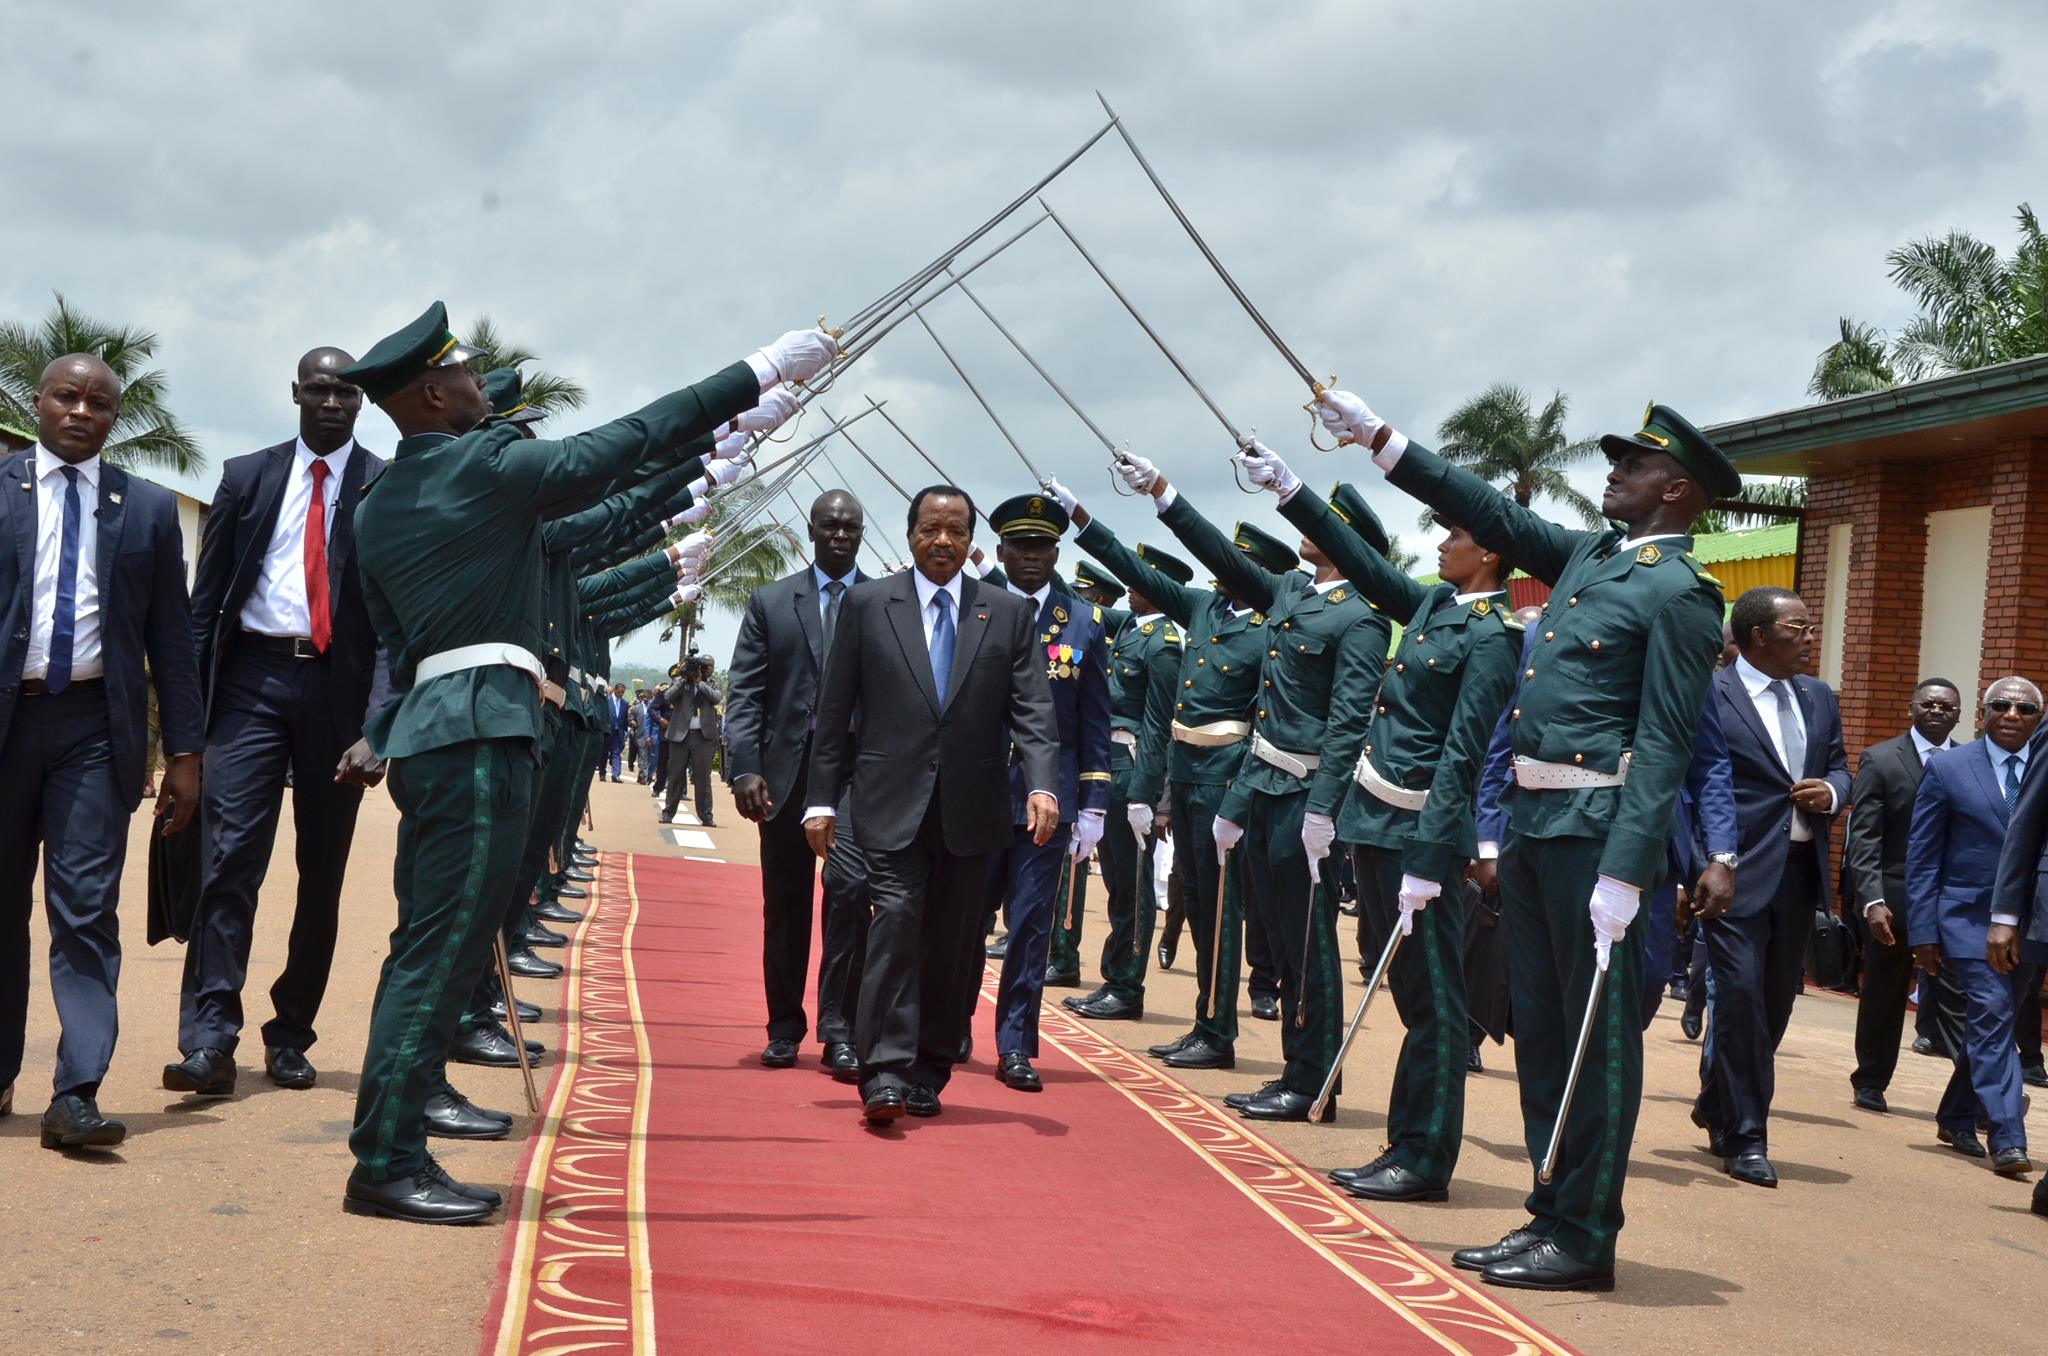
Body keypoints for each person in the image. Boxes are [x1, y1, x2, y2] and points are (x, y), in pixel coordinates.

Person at [337, 300, 834, 1223]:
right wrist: (755, 372)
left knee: (429, 948)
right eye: (468, 374)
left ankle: (393, 1141)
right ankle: (386, 1159)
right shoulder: (482, 469)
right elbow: (627, 441)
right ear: (435, 394)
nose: (482, 384)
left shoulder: (378, 506)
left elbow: (398, 645)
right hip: (482, 736)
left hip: (438, 731)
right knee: (439, 951)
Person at [1320, 391, 1730, 1291]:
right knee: (1543, 1030)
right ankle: (1548, 1207)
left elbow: (1664, 740)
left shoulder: (1680, 592)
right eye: (1618, 458)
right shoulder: (1592, 556)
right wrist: (1383, 440)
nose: (1614, 471)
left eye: (1636, 463)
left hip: (1598, 838)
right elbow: (1495, 514)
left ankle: (1585, 1233)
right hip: (1541, 827)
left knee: (1598, 1038)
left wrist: (1629, 871)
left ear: (1678, 490)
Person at [1238, 440, 1520, 1202]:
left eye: (1453, 536)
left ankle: (1424, 1158)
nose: (1439, 543)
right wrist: (1292, 491)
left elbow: (1464, 754)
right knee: (1409, 994)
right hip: (1379, 827)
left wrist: (1435, 856)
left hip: (1419, 836)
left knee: (1434, 1003)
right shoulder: (1437, 603)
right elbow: (1368, 571)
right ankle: (1404, 1143)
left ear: (1487, 553)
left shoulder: (1494, 633)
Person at [1115, 454, 1389, 1123]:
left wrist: (1324, 810)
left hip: (1303, 796)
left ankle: (1313, 1075)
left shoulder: (1361, 616)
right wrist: (1162, 491)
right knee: (1279, 937)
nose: (1307, 526)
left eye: (1326, 522)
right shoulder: (1293, 593)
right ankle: (1297, 1072)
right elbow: (1220, 557)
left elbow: (1349, 722)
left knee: (1307, 946)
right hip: (1261, 787)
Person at [165, 347, 386, 1100]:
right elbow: (204, 608)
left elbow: (394, 623)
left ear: (361, 401)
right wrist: (186, 732)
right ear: (296, 392)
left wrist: (379, 724)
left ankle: (291, 1032)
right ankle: (208, 1040)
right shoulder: (245, 476)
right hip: (252, 685)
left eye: (346, 391)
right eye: (320, 388)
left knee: (320, 875)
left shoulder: (385, 486)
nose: (332, 401)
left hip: (338, 693)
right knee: (229, 862)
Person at [803, 485, 1058, 1126]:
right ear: (911, 533)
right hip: (889, 803)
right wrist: (820, 801)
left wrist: (1042, 784)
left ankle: (929, 1066)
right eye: (930, 529)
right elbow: (834, 714)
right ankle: (883, 1071)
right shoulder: (867, 604)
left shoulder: (1004, 614)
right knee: (893, 925)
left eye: (955, 530)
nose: (942, 541)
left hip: (972, 811)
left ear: (972, 540)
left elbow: (1032, 709)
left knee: (954, 946)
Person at [0, 353, 204, 1148]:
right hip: (8, 726)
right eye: (67, 397)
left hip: (94, 730)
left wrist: (185, 754)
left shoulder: (147, 510)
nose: (81, 412)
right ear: (40, 403)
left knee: (84, 912)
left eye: (99, 403)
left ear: (115, 417)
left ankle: (76, 1092)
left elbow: (173, 644)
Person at [1057, 485, 1271, 1072]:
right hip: (1188, 773)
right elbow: (1122, 567)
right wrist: (1082, 516)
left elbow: (1253, 717)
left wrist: (1153, 792)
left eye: (1239, 561)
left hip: (1226, 779)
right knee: (1199, 908)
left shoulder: (1267, 626)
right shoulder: (1203, 610)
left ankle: (1216, 1026)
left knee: (1221, 914)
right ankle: (1206, 1021)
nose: (1223, 569)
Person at [1695, 586, 1850, 1188]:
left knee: (1774, 1007)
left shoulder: (1818, 696)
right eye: (1798, 628)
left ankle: (1717, 1102)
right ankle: (1747, 1136)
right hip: (1731, 873)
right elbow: (1694, 782)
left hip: (1798, 873)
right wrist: (1704, 864)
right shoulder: (1712, 693)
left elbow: (1840, 764)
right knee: (1737, 999)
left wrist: (1833, 792)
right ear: (1759, 635)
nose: (1810, 637)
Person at [723, 489, 873, 1077]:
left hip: (854, 781)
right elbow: (747, 693)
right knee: (784, 907)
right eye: (830, 525)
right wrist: (744, 766)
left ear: (861, 534)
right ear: (811, 531)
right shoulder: (771, 601)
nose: (840, 535)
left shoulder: (881, 600)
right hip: (782, 780)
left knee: (848, 900)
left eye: (851, 527)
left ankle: (842, 1030)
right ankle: (783, 1027)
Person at [967, 494, 1111, 1093]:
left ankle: (1016, 1046)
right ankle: (948, 1027)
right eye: (1020, 548)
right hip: (975, 795)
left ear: (1057, 552)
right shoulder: (976, 609)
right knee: (962, 920)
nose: (1032, 558)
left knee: (1029, 926)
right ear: (1000, 551)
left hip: (1046, 801)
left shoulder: (1083, 623)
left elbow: (1095, 718)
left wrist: (1094, 802)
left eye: (1043, 548)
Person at [1913, 677, 2043, 1179]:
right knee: (1990, 1013)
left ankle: (1955, 1113)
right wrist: (1924, 932)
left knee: (1998, 1019)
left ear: (2039, 718)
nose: (2013, 714)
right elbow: (1923, 857)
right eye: (2002, 705)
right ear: (1982, 713)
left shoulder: (2044, 768)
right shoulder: (1947, 769)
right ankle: (2008, 1136)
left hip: (2029, 922)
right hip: (1964, 917)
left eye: (2026, 708)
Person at [1845, 678, 1963, 1113]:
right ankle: (1871, 1079)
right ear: (1912, 708)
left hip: (1951, 901)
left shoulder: (1970, 761)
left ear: (1959, 714)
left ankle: (1976, 1098)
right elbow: (1865, 837)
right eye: (1928, 704)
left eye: (1946, 706)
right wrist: (1872, 898)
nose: (1936, 711)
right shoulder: (1881, 759)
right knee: (1884, 992)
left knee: (1961, 1000)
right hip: (1893, 900)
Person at [1044, 558, 1129, 985]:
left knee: (1115, 883)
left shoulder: (1147, 639)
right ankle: (1058, 949)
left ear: (1100, 600)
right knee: (1061, 871)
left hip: (1120, 767)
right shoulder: (1112, 633)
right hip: (1084, 763)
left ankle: (1080, 960)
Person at [660, 656, 722, 825]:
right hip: (681, 735)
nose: (709, 668)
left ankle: (706, 816)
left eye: (712, 666)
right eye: (706, 665)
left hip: (703, 737)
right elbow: (668, 696)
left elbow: (716, 698)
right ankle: (668, 813)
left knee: (703, 779)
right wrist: (684, 679)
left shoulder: (712, 684)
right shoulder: (682, 683)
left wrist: (699, 682)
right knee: (675, 776)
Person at [603, 683, 630, 781]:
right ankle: (602, 773)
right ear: (614, 690)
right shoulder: (606, 701)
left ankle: (616, 775)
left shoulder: (625, 703)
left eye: (623, 693)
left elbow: (625, 720)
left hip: (619, 732)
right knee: (604, 752)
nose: (621, 694)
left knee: (616, 753)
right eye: (619, 692)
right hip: (607, 731)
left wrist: (625, 732)